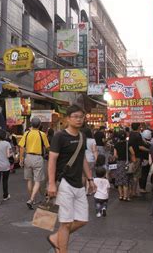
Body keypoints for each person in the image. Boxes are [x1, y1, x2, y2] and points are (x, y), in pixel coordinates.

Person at [47, 105, 96, 253]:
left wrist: (90, 179)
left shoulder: (82, 136)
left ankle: (56, 239)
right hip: (64, 183)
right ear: (68, 119)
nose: (79, 119)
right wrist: (51, 184)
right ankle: (63, 250)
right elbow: (52, 160)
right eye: (75, 116)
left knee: (82, 220)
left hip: (79, 184)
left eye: (81, 117)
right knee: (66, 223)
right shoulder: (59, 136)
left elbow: (83, 160)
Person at [18, 117, 50, 209]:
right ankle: (31, 199)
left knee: (29, 180)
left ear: (31, 124)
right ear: (40, 125)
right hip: (38, 158)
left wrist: (21, 159)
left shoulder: (27, 133)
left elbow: (21, 147)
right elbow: (48, 147)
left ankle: (32, 198)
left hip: (28, 157)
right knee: (37, 180)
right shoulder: (42, 134)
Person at [128, 123, 150, 197]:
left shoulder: (131, 135)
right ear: (138, 127)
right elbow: (140, 147)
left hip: (132, 157)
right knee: (136, 175)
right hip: (137, 157)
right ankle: (133, 192)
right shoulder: (138, 135)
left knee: (132, 173)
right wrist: (149, 150)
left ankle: (131, 191)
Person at [113, 130, 135, 201]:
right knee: (126, 180)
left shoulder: (116, 145)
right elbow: (132, 152)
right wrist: (133, 160)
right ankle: (126, 196)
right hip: (126, 163)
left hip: (119, 163)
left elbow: (115, 155)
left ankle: (121, 196)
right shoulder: (128, 144)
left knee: (119, 181)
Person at [0, 129, 12, 205]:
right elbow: (8, 155)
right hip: (5, 165)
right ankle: (5, 195)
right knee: (5, 181)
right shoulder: (7, 144)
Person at [84, 128, 98, 194]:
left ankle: (85, 190)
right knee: (90, 174)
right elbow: (94, 150)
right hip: (91, 159)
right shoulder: (92, 140)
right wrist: (96, 159)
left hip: (83, 159)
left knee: (84, 175)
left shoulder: (82, 140)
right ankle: (90, 189)